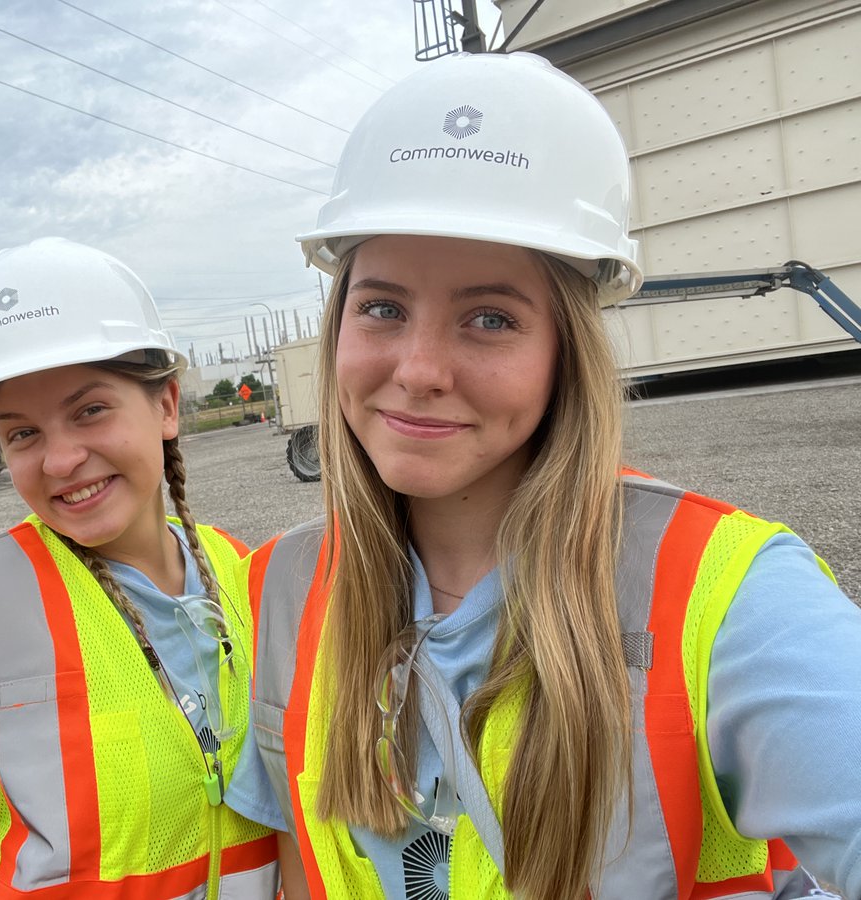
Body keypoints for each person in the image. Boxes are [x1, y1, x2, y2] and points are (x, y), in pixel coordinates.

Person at [225, 52, 861, 900]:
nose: (418, 369)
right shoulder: (283, 585)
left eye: (490, 318)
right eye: (382, 307)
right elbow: (303, 866)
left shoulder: (729, 593)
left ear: (566, 351)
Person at [0, 238, 278, 898]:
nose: (60, 460)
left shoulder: (249, 579)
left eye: (90, 410)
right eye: (22, 433)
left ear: (167, 405)